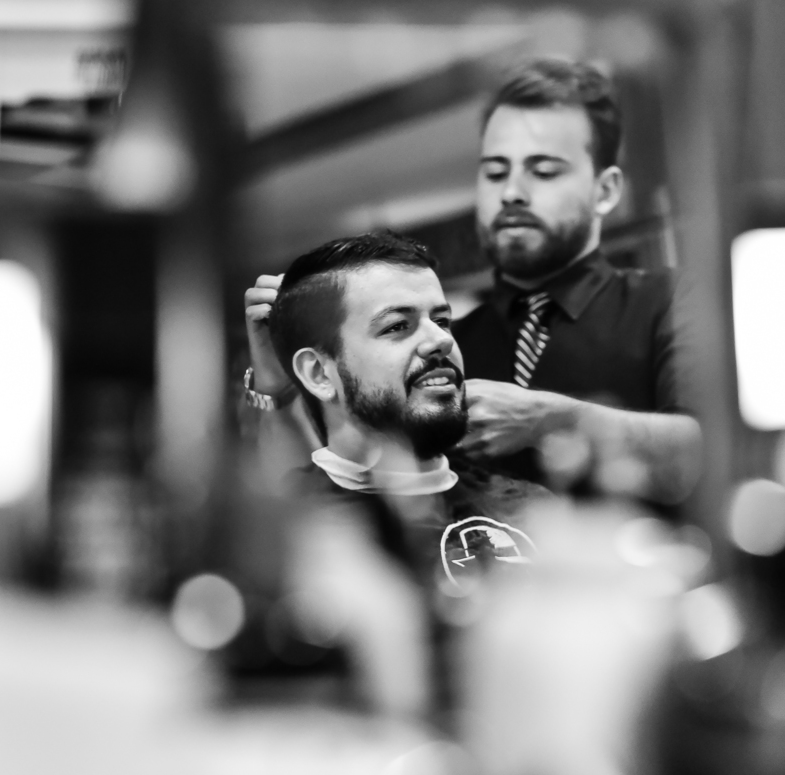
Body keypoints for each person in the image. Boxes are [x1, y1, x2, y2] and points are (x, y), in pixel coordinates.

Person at [244, 58, 701, 504]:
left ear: (605, 190)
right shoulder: (447, 342)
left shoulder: (670, 300)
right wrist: (276, 385)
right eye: (495, 172)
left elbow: (718, 458)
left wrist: (554, 420)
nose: (511, 192)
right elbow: (319, 481)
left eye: (543, 171)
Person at [265, 231, 542, 591]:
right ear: (319, 373)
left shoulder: (533, 510)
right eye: (397, 326)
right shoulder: (282, 538)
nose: (442, 340)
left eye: (441, 321)